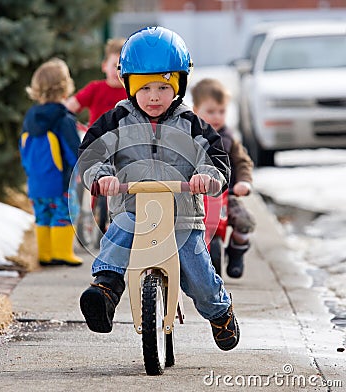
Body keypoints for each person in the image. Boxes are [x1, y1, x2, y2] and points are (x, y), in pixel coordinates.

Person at [77, 26, 240, 352]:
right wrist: (101, 176)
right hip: (131, 209)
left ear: (178, 86)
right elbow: (91, 155)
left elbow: (217, 158)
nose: (154, 96)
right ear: (129, 86)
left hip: (181, 216)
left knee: (197, 270)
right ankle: (105, 291)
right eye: (145, 87)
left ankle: (219, 311)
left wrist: (208, 176)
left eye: (163, 87)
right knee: (118, 235)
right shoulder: (116, 121)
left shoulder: (192, 124)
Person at [19, 58, 83, 267]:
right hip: (61, 181)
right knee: (63, 213)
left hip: (36, 182)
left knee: (43, 215)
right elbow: (74, 150)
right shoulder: (63, 119)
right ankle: (62, 253)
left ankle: (45, 255)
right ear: (65, 88)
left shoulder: (30, 119)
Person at [65, 38, 127, 245]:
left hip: (122, 147)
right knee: (86, 182)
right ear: (104, 66)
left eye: (122, 67)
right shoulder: (95, 88)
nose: (117, 71)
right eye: (113, 66)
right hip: (96, 145)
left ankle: (116, 221)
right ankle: (85, 215)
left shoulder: (131, 93)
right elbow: (71, 106)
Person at [192, 78, 256, 278]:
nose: (217, 117)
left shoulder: (228, 138)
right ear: (196, 110)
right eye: (211, 112)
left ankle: (236, 251)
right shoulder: (189, 136)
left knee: (245, 221)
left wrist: (243, 182)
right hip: (195, 196)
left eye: (222, 111)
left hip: (225, 195)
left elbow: (242, 162)